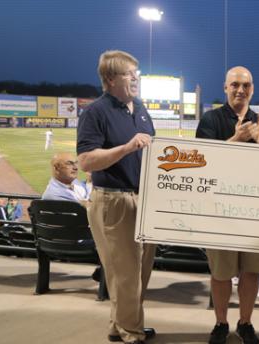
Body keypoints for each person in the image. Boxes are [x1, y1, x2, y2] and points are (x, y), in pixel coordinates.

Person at [77, 50, 156, 344]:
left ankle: (120, 324)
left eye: (137, 73)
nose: (135, 78)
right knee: (124, 273)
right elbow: (85, 161)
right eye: (128, 73)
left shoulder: (141, 109)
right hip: (114, 200)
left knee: (139, 271)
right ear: (110, 79)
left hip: (142, 200)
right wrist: (126, 147)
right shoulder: (96, 111)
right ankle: (131, 332)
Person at [196, 66, 259, 344]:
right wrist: (236, 139)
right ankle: (221, 323)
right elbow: (201, 162)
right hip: (220, 209)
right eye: (235, 85)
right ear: (225, 87)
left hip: (255, 211)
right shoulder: (211, 119)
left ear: (252, 89)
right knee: (221, 273)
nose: (240, 90)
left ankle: (245, 323)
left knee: (252, 271)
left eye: (245, 85)